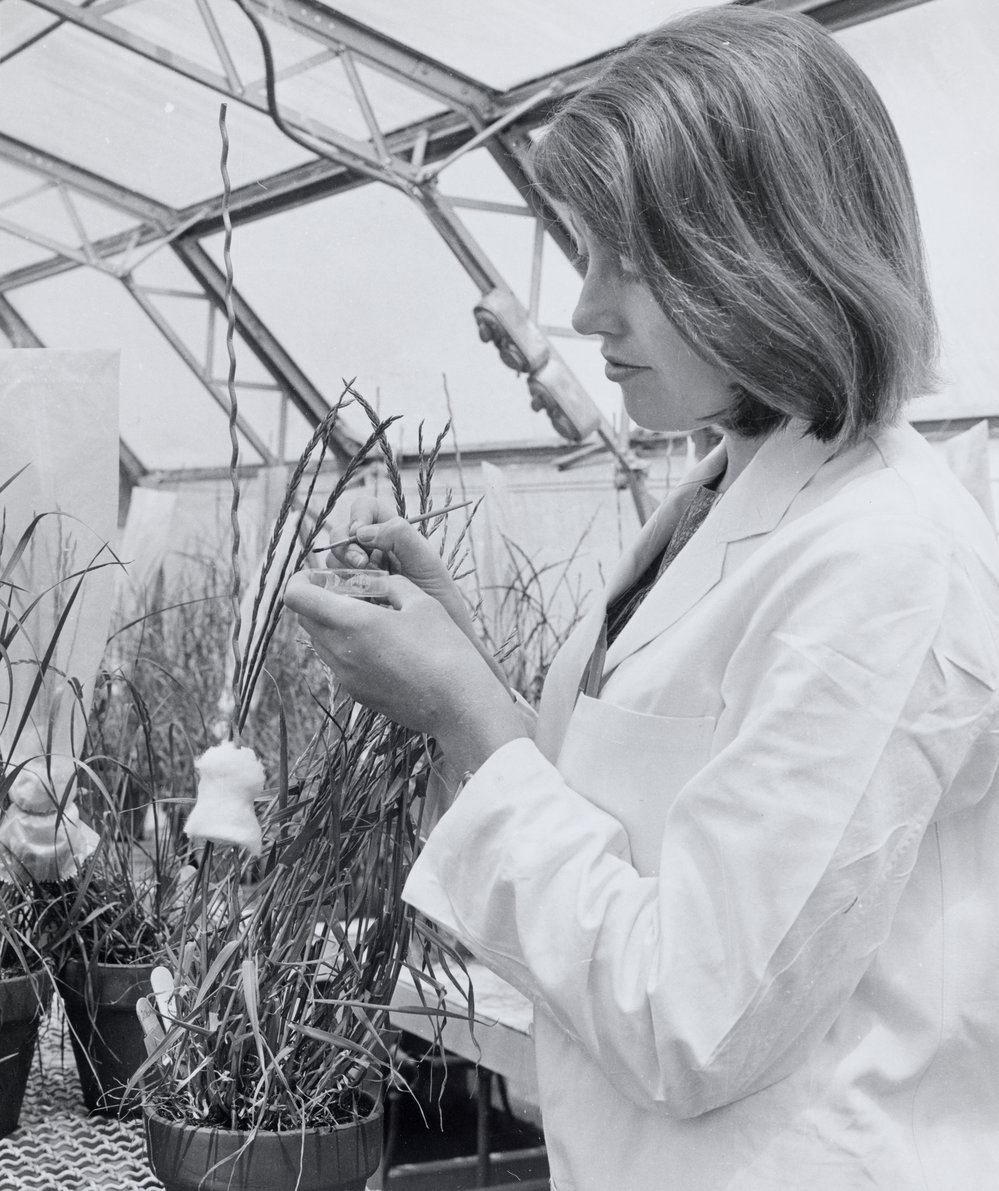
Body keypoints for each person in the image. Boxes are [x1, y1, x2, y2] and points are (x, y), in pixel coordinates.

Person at [283, 7, 999, 1189]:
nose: (583, 310)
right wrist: (463, 661)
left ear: (772, 254)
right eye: (585, 253)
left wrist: (469, 717)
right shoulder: (731, 492)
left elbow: (697, 1016)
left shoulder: (886, 564)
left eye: (631, 259)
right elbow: (637, 838)